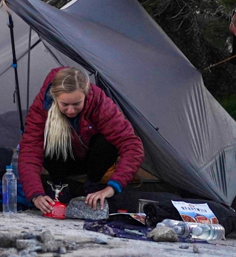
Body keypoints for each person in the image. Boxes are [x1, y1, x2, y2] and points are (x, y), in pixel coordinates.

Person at [18, 66, 144, 213]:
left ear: (86, 94)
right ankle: (59, 187)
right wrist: (35, 195)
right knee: (48, 137)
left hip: (93, 161)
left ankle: (91, 187)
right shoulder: (41, 107)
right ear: (54, 98)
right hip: (62, 161)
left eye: (77, 104)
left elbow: (132, 145)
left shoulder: (99, 102)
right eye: (64, 105)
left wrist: (112, 188)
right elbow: (29, 151)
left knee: (108, 141)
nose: (71, 110)